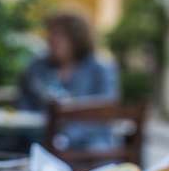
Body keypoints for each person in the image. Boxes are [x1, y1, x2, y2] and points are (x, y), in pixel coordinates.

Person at [18, 12, 119, 151]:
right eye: (50, 33)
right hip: (39, 140)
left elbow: (103, 112)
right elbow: (24, 106)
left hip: (88, 147)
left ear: (76, 39)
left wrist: (66, 138)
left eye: (59, 34)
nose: (51, 39)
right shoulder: (37, 66)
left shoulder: (100, 68)